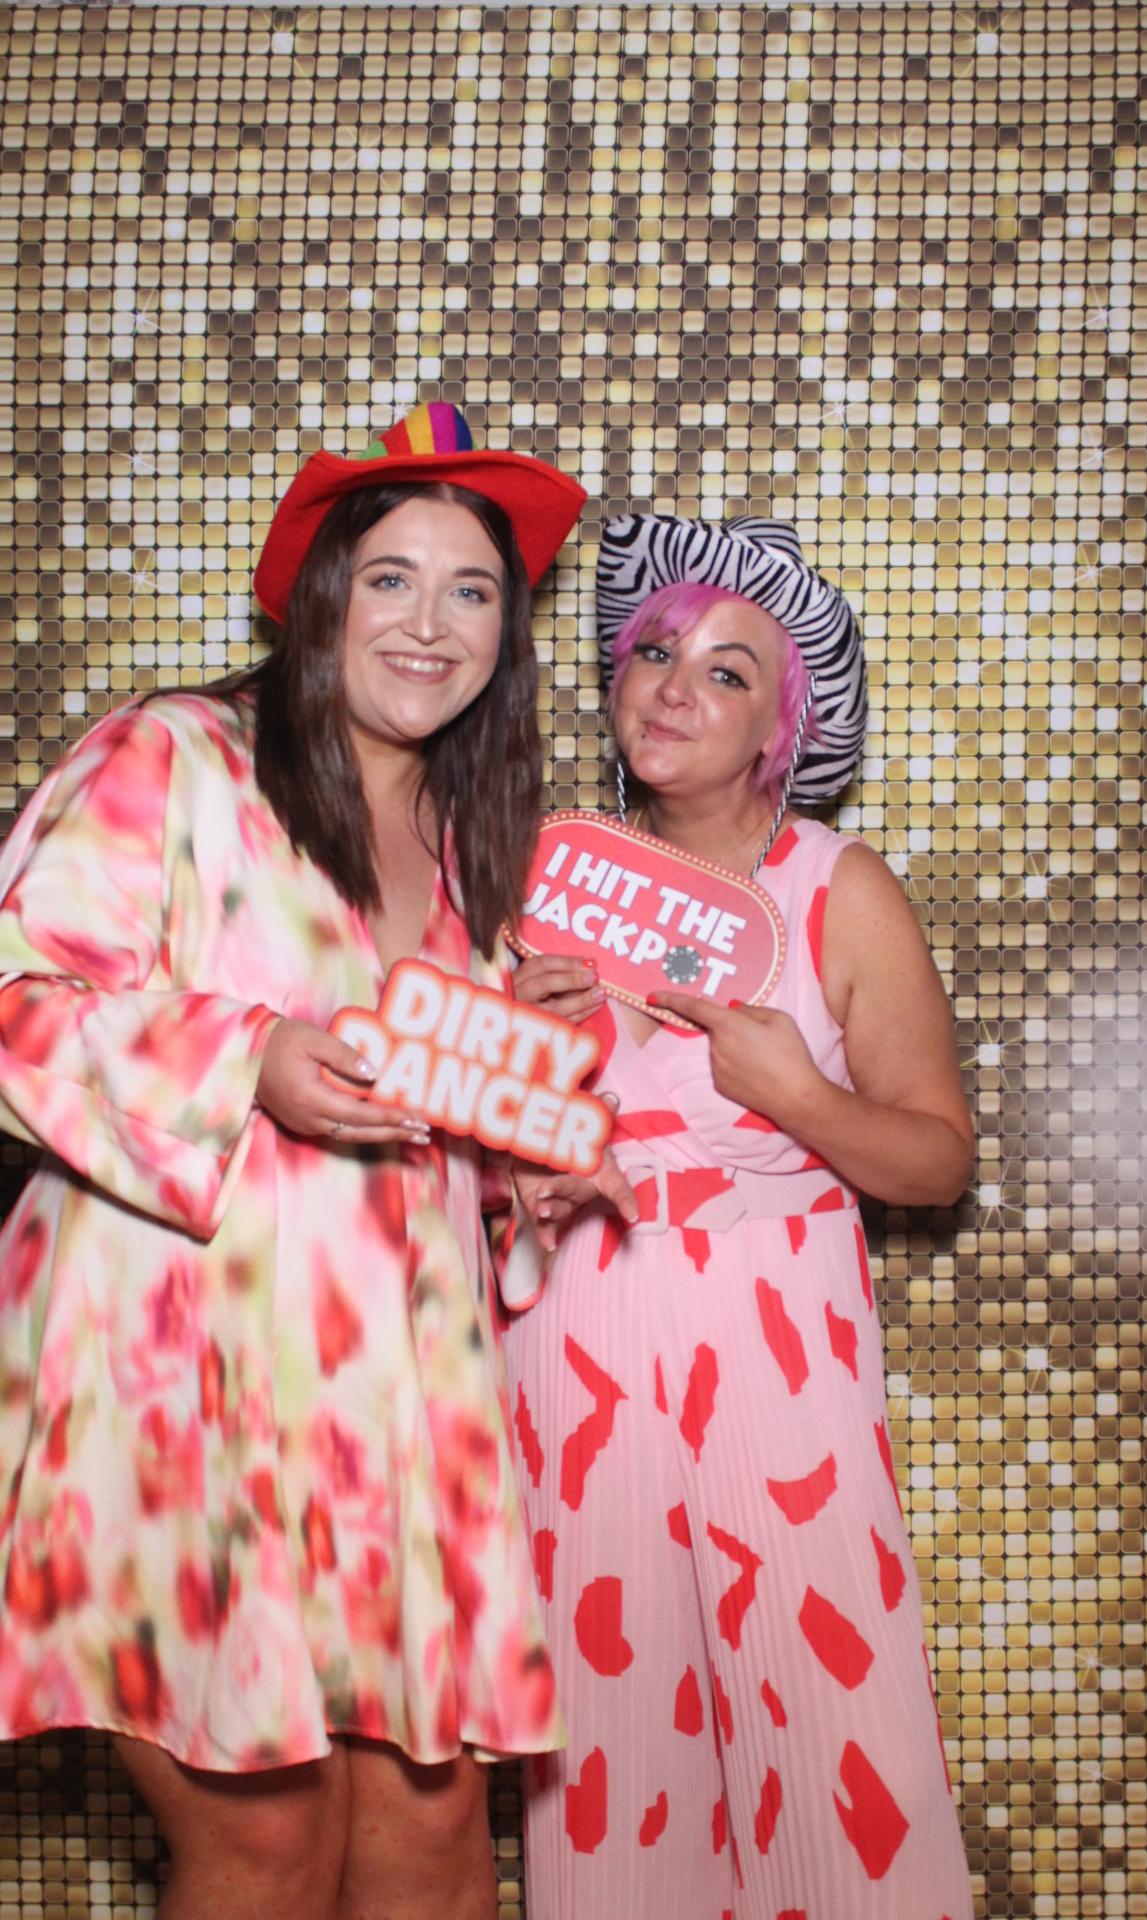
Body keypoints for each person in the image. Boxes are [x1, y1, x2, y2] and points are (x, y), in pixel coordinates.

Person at [0, 402, 592, 1920]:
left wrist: (531, 1139)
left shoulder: (475, 855)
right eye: (390, 577)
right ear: (319, 594)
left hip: (392, 1414)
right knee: (264, 1846)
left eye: (473, 590)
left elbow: (417, 1148)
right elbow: (16, 997)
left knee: (437, 1841)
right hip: (183, 1387)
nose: (431, 621)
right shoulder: (178, 756)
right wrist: (244, 1059)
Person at [505, 513, 977, 1919]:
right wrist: (517, 1110)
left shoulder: (840, 888)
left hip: (778, 1343)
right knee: (609, 1725)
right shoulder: (540, 877)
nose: (671, 685)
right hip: (580, 1336)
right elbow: (458, 1156)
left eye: (725, 672)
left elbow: (936, 1161)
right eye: (654, 650)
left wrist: (793, 1093)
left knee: (826, 1713)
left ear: (788, 722)